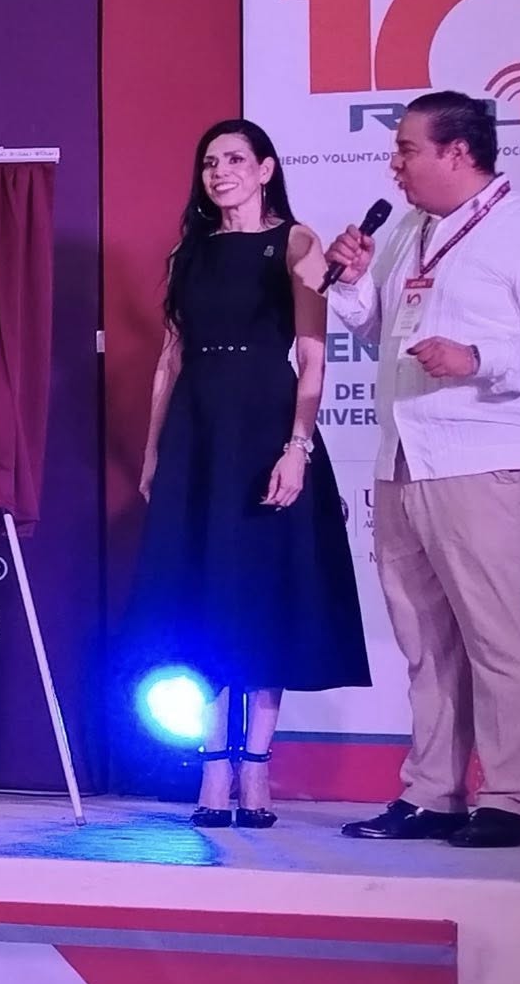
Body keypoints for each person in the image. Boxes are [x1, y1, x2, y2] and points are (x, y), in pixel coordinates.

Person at [326, 91, 520, 849]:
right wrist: (353, 281)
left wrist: (479, 357)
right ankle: (432, 794)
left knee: (497, 638)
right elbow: (381, 328)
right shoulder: (410, 232)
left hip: (486, 456)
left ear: (457, 152)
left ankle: (510, 800)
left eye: (407, 149)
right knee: (425, 642)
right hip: (404, 457)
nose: (395, 163)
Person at [130, 120, 369, 829]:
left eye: (235, 159)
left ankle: (257, 769)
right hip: (198, 434)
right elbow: (170, 359)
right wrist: (153, 452)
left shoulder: (296, 243)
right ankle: (214, 769)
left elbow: (313, 357)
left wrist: (298, 446)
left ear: (266, 169)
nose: (220, 172)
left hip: (266, 427)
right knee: (202, 595)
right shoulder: (189, 251)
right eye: (209, 161)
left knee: (264, 596)